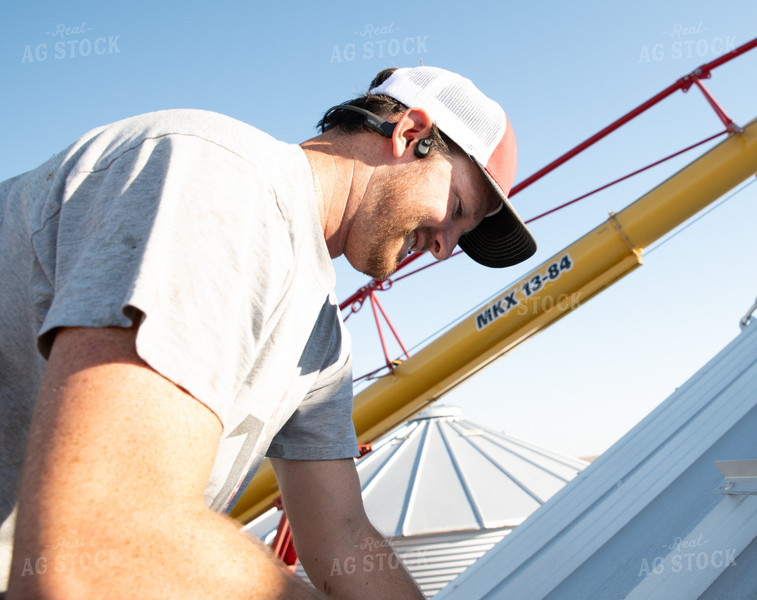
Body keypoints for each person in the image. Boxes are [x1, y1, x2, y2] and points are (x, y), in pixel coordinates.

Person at [0, 65, 536, 599]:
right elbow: (104, 548)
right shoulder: (213, 180)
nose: (444, 247)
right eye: (458, 209)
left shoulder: (321, 339)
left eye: (461, 236)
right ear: (409, 134)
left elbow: (343, 538)